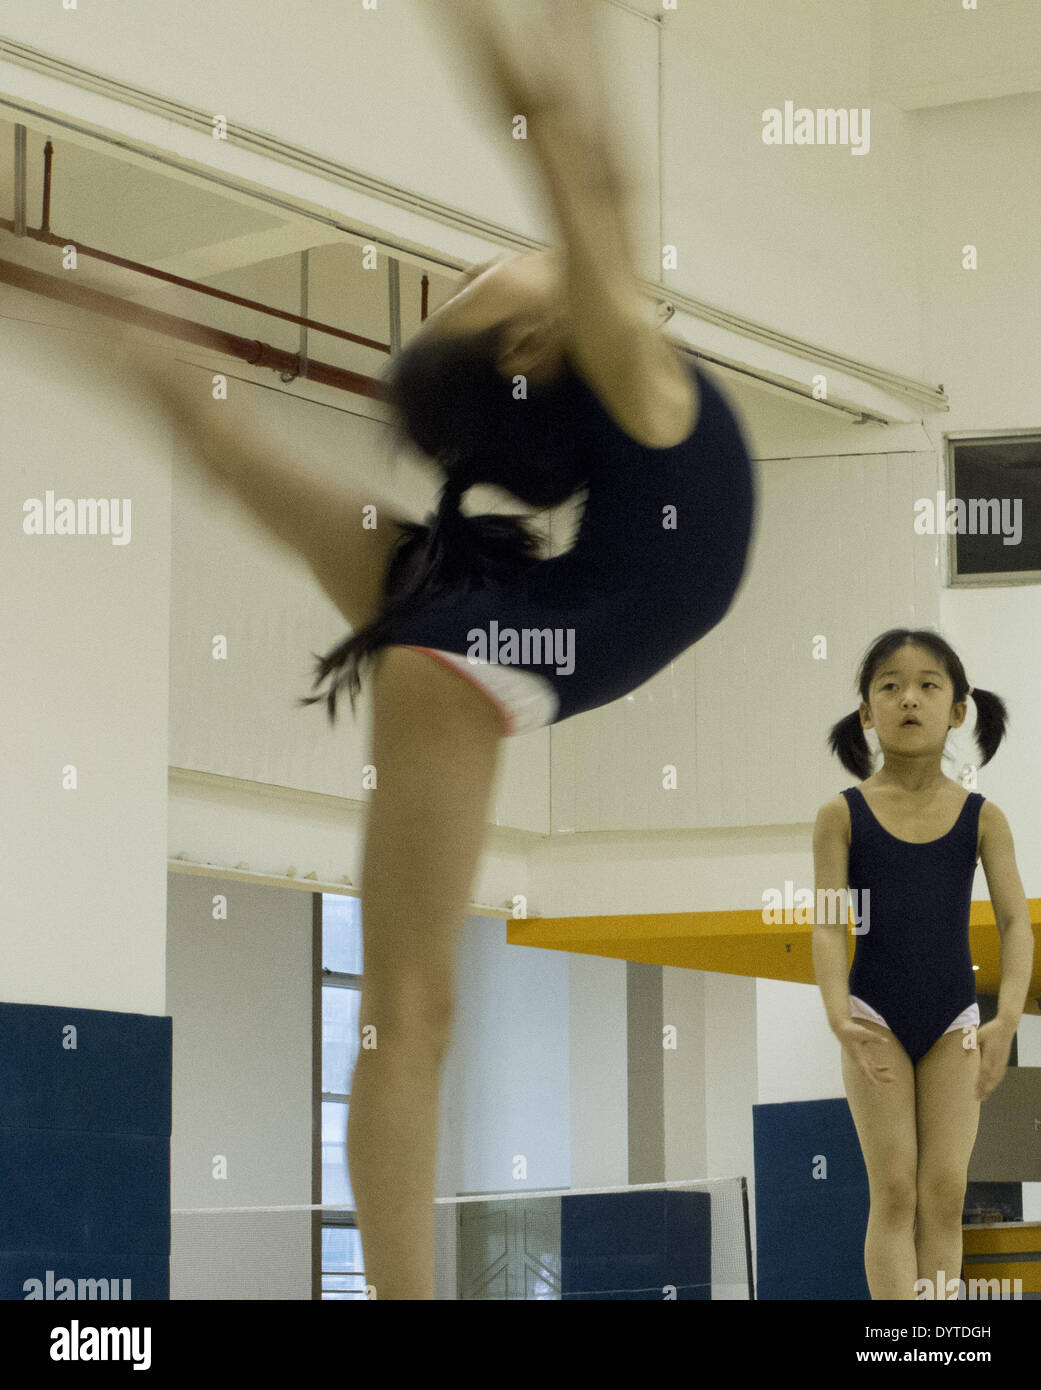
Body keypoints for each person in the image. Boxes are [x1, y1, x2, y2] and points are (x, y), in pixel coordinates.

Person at [59, 0, 756, 1298]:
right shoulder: (620, 364)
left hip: (485, 615)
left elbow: (587, 161)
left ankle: (58, 290)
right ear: (529, 345)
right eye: (478, 288)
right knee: (408, 1003)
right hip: (485, 643)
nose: (501, 261)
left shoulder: (618, 367)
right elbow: (567, 151)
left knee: (407, 1000)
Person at [813, 629, 1033, 1300]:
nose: (907, 697)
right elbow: (826, 922)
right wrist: (835, 1015)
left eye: (927, 684)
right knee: (896, 1189)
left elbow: (1015, 921)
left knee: (943, 1192)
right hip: (871, 1015)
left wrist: (1006, 1017)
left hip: (953, 1020)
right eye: (888, 685)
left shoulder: (982, 817)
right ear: (865, 712)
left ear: (958, 709)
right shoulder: (840, 815)